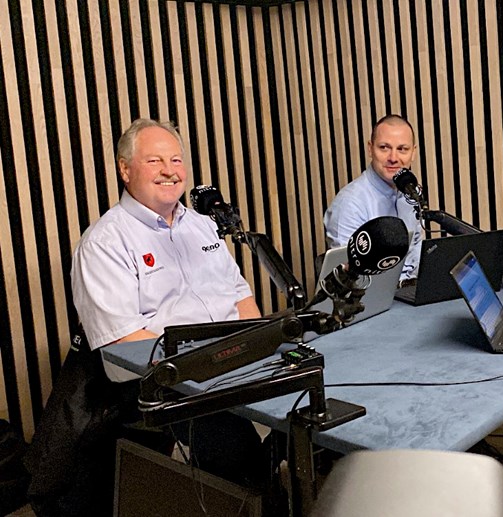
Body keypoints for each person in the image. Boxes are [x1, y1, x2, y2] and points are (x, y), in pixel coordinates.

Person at [26, 119, 268, 516]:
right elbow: (126, 345)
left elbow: (240, 296)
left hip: (226, 364)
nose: (170, 170)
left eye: (176, 159)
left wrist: (252, 349)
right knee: (237, 453)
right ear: (125, 169)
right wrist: (209, 368)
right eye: (154, 160)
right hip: (161, 384)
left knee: (301, 409)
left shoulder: (203, 226)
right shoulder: (105, 242)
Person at [324, 114, 423, 283]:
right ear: (370, 149)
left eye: (402, 149)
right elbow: (350, 280)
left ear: (413, 153)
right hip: (371, 300)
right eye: (384, 147)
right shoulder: (349, 204)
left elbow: (416, 258)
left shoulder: (411, 193)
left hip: (411, 292)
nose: (393, 158)